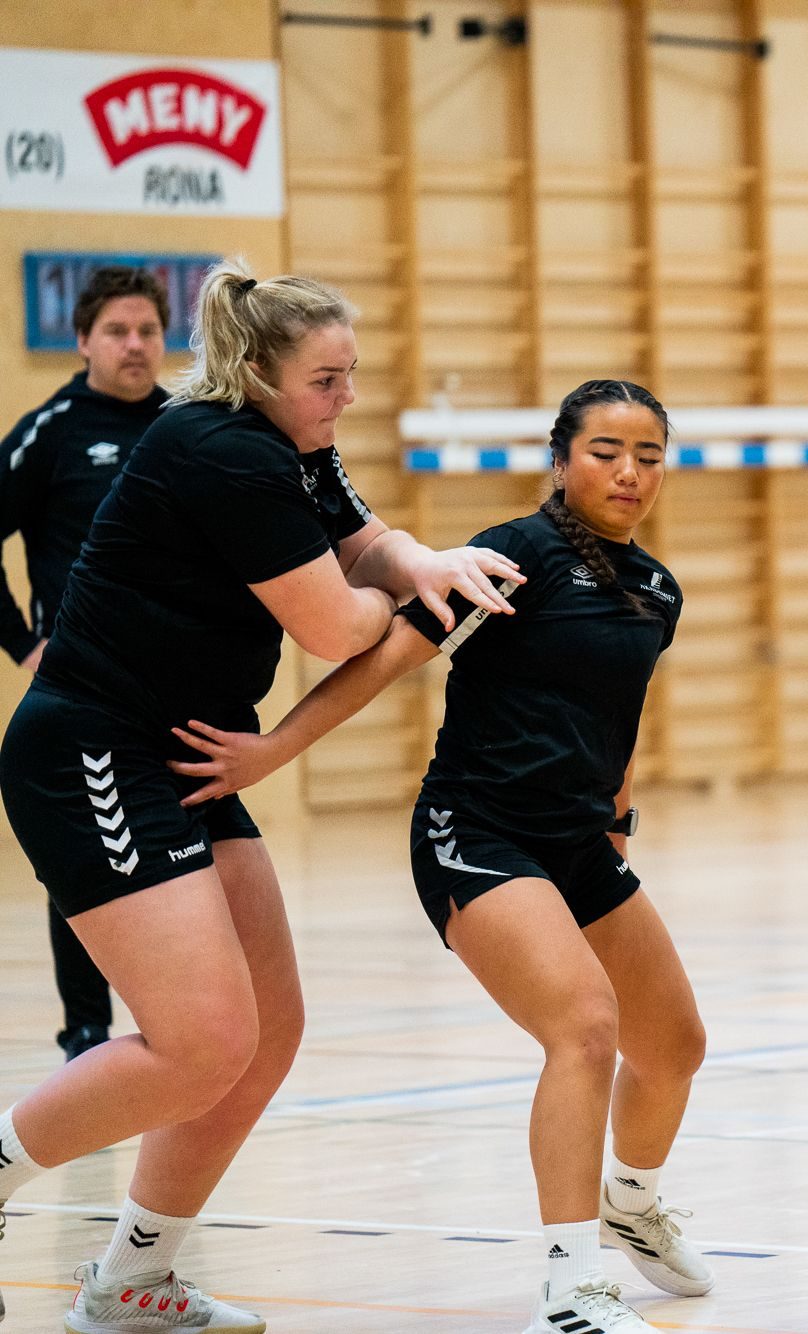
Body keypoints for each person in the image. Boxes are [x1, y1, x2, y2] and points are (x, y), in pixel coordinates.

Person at [0, 260, 522, 1334]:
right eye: (327, 378)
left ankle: (132, 1277)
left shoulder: (293, 443)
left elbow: (368, 540)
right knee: (198, 1038)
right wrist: (400, 596)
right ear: (259, 371)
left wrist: (416, 560)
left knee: (265, 1032)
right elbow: (335, 627)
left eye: (350, 373)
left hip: (185, 751)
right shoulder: (223, 451)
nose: (346, 398)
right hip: (95, 745)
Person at [164, 379, 710, 1334]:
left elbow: (616, 722)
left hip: (579, 842)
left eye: (649, 455)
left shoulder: (658, 587)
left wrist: (618, 823)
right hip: (478, 832)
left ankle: (632, 1199)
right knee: (583, 1029)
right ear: (560, 459)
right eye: (606, 451)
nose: (628, 472)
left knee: (674, 1045)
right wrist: (271, 752)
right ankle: (572, 1289)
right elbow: (377, 664)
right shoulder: (506, 562)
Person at [0, 265, 174, 1062]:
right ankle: (86, 1033)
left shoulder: (186, 427)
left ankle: (174, 1021)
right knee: (83, 864)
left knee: (180, 859)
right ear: (82, 341)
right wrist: (25, 644)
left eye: (147, 330)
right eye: (117, 331)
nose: (135, 345)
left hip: (176, 695)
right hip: (79, 696)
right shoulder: (54, 429)